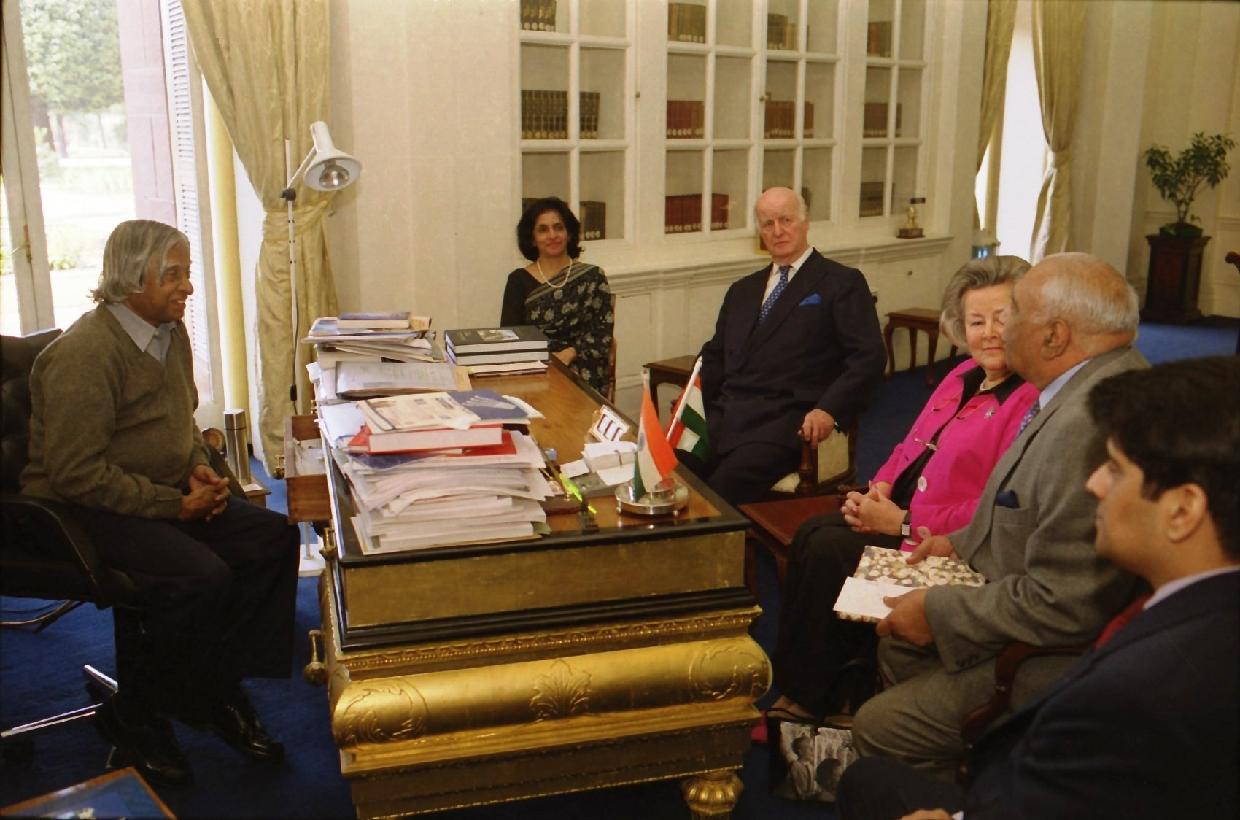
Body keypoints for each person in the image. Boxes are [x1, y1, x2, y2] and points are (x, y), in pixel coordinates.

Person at [837, 356, 1240, 820]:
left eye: (1115, 468)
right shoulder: (1199, 607)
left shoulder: (1144, 694)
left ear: (1183, 511)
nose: (1094, 483)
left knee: (866, 777)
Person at [21, 220, 300, 787]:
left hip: (160, 489)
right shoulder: (86, 354)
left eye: (187, 273)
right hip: (81, 510)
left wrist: (200, 466)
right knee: (200, 576)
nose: (187, 287)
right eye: (173, 275)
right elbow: (75, 475)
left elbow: (181, 421)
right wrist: (174, 507)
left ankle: (213, 686)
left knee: (273, 539)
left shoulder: (169, 332)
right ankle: (138, 713)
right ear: (131, 280)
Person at [849, 252, 1147, 778]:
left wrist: (939, 610)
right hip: (1013, 595)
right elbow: (1025, 511)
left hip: (1046, 656)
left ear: (1053, 336)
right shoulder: (1084, 384)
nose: (1000, 332)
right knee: (897, 648)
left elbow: (1065, 604)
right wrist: (958, 541)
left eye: (1015, 315)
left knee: (877, 726)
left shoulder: (1086, 423)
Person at [769, 255, 1038, 722]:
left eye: (1002, 318)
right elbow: (909, 444)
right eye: (977, 322)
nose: (990, 333)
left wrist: (905, 521)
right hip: (897, 511)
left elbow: (998, 507)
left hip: (941, 543)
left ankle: (818, 700)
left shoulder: (1029, 399)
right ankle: (805, 686)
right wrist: (879, 488)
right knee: (812, 534)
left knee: (831, 550)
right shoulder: (960, 375)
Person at [681, 186, 886, 505]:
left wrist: (829, 409)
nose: (777, 231)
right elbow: (715, 355)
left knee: (719, 494)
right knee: (673, 474)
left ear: (805, 222)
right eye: (768, 223)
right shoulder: (742, 290)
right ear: (760, 233)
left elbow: (868, 358)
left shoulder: (841, 283)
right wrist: (689, 400)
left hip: (786, 423)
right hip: (727, 416)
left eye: (786, 220)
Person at [501, 197, 613, 393]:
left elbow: (601, 333)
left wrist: (570, 353)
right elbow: (510, 338)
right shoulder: (518, 281)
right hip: (534, 370)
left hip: (582, 367)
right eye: (543, 230)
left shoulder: (593, 277)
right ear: (532, 239)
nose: (552, 235)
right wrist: (544, 363)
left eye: (558, 228)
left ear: (569, 234)